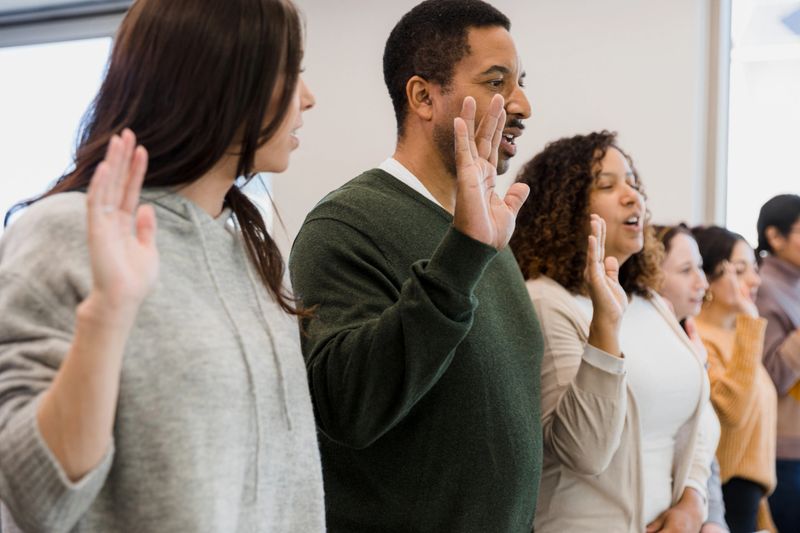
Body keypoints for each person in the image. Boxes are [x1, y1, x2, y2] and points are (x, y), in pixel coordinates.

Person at [0, 0, 324, 531]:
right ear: (223, 79)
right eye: (291, 72)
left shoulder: (252, 251)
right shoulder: (64, 231)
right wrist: (107, 314)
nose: (307, 97)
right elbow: (34, 498)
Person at [288, 1, 542, 531]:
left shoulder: (490, 233)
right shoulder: (346, 224)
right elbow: (349, 409)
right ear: (424, 97)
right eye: (496, 82)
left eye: (520, 83)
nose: (521, 104)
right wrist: (463, 252)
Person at [509, 131, 711, 533]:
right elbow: (585, 452)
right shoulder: (547, 302)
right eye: (607, 185)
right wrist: (604, 326)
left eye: (633, 182)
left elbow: (701, 420)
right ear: (565, 207)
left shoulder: (649, 301)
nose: (633, 196)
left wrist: (693, 500)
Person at [692, 225, 777, 533]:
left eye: (754, 268)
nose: (755, 280)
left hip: (747, 499)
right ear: (709, 277)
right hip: (722, 497)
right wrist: (750, 320)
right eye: (739, 271)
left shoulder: (733, 337)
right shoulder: (700, 338)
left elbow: (750, 445)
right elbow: (732, 411)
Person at [654, 223, 728, 533]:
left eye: (700, 267)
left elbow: (705, 444)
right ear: (650, 276)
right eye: (686, 270)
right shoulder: (646, 350)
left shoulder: (690, 339)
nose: (702, 282)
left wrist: (713, 519)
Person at [753, 194, 800, 532]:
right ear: (775, 236)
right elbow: (772, 374)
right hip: (783, 450)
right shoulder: (764, 287)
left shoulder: (794, 283)